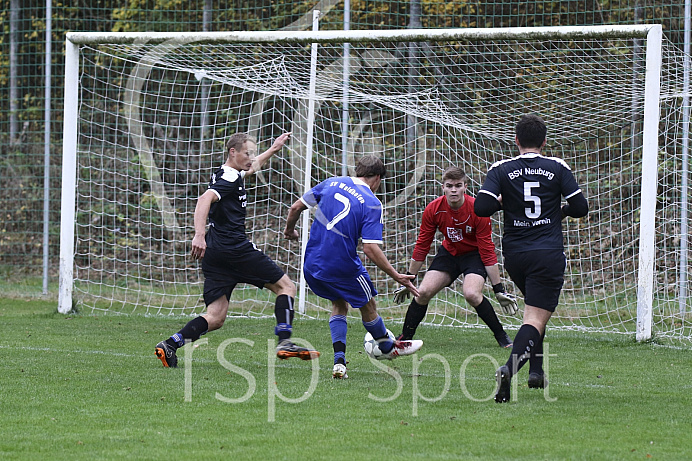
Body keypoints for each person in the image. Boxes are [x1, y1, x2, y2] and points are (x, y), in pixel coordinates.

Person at [155, 132, 319, 368]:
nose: (251, 158)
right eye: (247, 153)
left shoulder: (228, 172)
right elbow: (204, 200)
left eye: (253, 153)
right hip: (234, 249)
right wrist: (198, 235)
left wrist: (273, 148)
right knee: (287, 287)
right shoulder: (229, 179)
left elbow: (251, 168)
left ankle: (170, 344)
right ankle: (285, 342)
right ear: (233, 152)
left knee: (215, 316)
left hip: (216, 252)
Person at [474, 114, 589, 402]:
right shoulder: (557, 167)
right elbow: (580, 207)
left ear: (516, 140)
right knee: (535, 318)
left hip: (516, 255)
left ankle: (536, 372)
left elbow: (482, 207)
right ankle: (509, 370)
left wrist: (507, 202)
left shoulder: (501, 169)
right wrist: (557, 211)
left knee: (534, 312)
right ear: (544, 141)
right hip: (547, 253)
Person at [284, 155, 423, 379]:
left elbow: (295, 207)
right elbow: (370, 249)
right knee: (368, 306)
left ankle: (339, 362)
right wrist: (396, 275)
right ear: (377, 178)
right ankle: (388, 348)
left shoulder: (330, 182)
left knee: (339, 303)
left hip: (312, 264)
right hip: (343, 266)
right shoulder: (371, 202)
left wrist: (289, 231)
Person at [393, 166, 518, 348]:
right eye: (449, 185)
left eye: (458, 185)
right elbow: (422, 245)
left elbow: (487, 250)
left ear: (465, 186)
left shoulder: (478, 209)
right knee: (423, 292)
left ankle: (502, 336)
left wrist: (498, 288)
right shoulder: (433, 209)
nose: (453, 190)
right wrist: (409, 279)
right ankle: (404, 338)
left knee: (471, 294)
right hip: (449, 254)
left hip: (473, 256)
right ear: (442, 187)